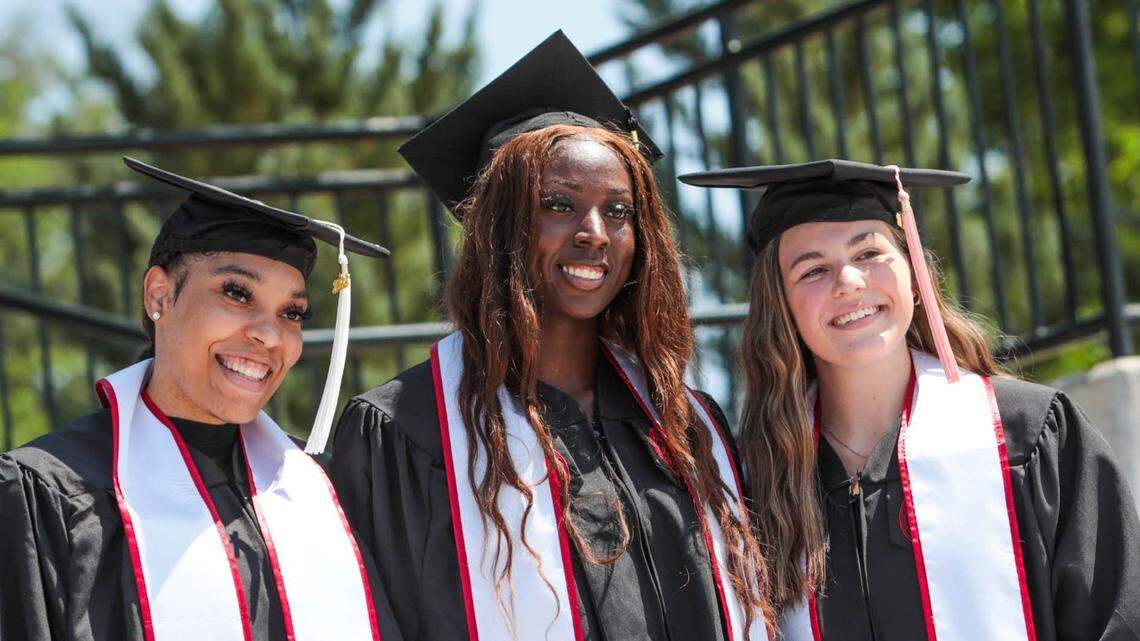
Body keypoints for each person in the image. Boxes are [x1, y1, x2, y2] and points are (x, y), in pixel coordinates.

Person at [331, 31, 771, 641]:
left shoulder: (687, 425)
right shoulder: (405, 431)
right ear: (498, 226)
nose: (594, 232)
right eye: (558, 204)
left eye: (618, 211)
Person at [679, 159, 1140, 641]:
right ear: (783, 309)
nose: (849, 281)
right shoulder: (755, 485)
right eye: (813, 270)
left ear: (914, 274)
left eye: (869, 252)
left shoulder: (1027, 436)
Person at [0, 158, 401, 641]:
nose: (270, 335)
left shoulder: (322, 491)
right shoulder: (48, 493)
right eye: (237, 293)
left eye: (292, 312)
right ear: (159, 296)